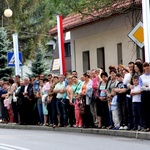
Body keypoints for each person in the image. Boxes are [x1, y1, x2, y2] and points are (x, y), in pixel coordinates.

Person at [139, 62, 150, 132]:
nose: (147, 68)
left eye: (148, 66)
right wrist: (146, 87)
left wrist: (147, 87)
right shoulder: (141, 77)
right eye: (145, 66)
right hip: (144, 94)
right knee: (145, 110)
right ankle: (147, 125)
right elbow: (141, 86)